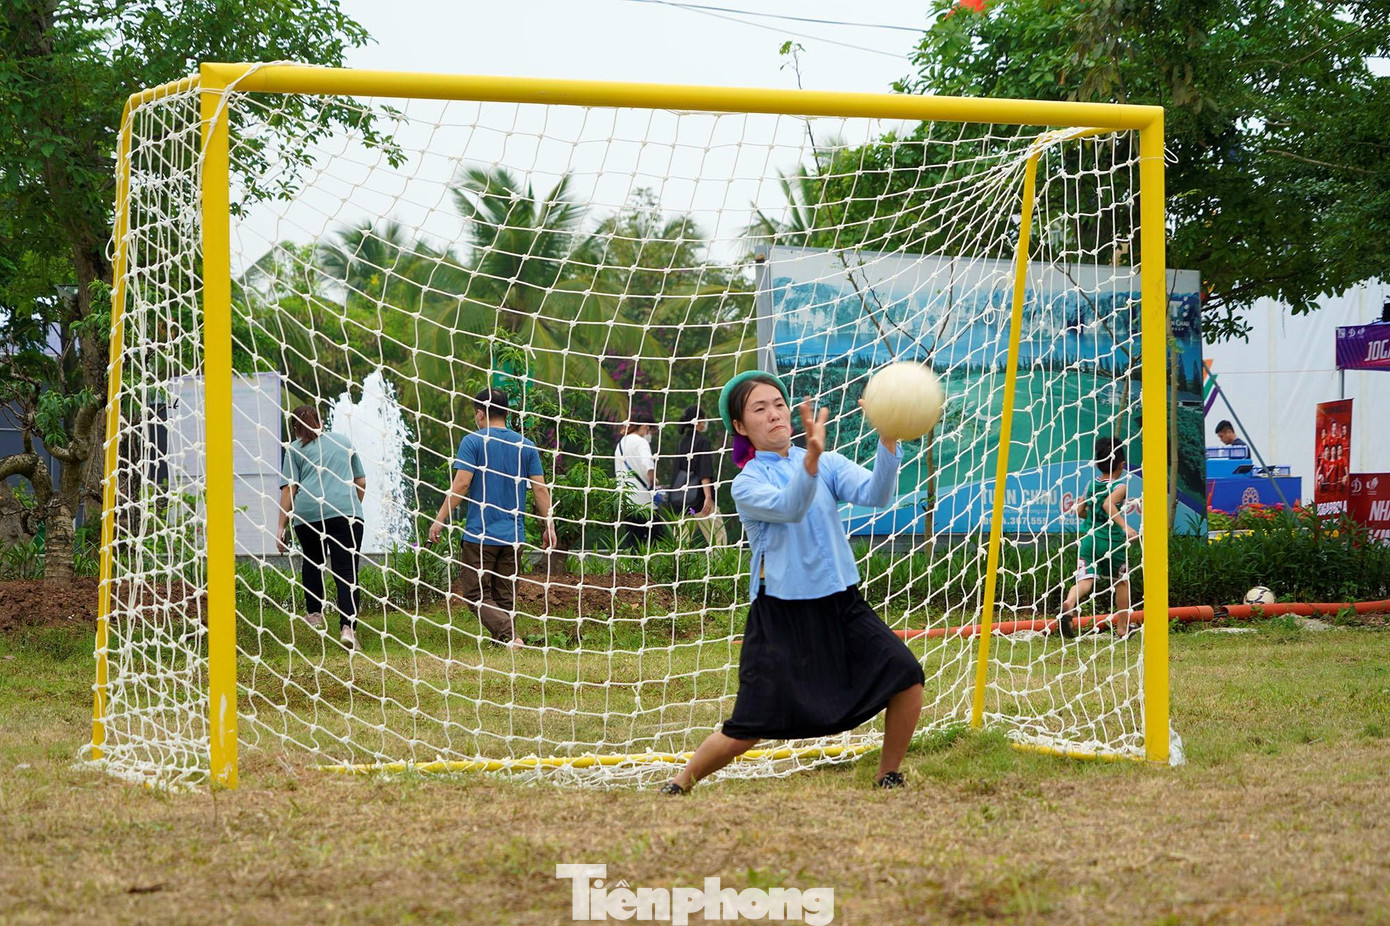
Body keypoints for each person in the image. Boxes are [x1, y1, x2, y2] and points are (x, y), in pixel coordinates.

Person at [659, 372, 925, 795]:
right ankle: (680, 782)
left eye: (778, 404)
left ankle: (887, 773)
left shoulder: (826, 461)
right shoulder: (747, 483)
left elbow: (877, 494)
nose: (774, 414)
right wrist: (811, 462)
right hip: (781, 614)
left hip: (841, 602)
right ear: (741, 427)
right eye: (759, 409)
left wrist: (888, 439)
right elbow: (790, 507)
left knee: (907, 676)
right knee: (746, 730)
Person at [428, 389, 556, 649]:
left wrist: (439, 519)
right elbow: (540, 490)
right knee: (504, 593)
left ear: (479, 413)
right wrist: (549, 527)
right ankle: (505, 641)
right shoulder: (526, 446)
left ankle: (510, 637)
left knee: (475, 593)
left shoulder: (472, 442)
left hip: (480, 534)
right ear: (507, 413)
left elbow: (462, 484)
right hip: (514, 535)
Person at [276, 405, 367, 651]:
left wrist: (280, 528)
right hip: (345, 512)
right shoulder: (343, 442)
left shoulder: (294, 449)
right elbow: (361, 481)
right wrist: (351, 506)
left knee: (313, 561)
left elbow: (289, 489)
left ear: (295, 427)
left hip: (308, 515)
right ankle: (348, 628)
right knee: (346, 571)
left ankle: (315, 613)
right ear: (321, 420)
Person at [1060, 437, 1139, 639]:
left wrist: (1092, 518)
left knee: (1085, 580)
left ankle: (1069, 604)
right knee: (1121, 582)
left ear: (1097, 464)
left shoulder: (1091, 484)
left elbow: (1079, 510)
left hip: (1088, 540)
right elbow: (1108, 506)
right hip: (1111, 542)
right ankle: (1122, 628)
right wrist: (1125, 526)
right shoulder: (1120, 486)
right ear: (1121, 465)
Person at [670, 405, 728, 548]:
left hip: (683, 500)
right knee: (718, 537)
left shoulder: (681, 443)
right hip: (700, 500)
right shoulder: (702, 442)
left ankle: (677, 569)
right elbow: (704, 471)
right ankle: (719, 569)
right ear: (699, 420)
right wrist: (708, 497)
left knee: (680, 542)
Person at [614, 421, 664, 549]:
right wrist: (654, 480)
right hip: (645, 504)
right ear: (645, 426)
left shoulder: (621, 443)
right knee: (659, 538)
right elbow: (648, 464)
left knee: (633, 542)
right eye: (651, 431)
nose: (650, 435)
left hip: (627, 501)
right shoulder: (641, 442)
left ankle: (633, 568)